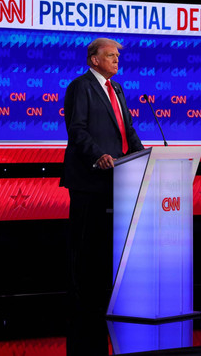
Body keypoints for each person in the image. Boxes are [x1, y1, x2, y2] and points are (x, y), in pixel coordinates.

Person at [60, 37, 144, 311]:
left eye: (117, 56)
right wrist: (97, 155)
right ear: (94, 60)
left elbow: (127, 131)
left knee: (108, 243)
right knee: (86, 243)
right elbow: (77, 130)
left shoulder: (117, 89)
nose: (116, 60)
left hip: (118, 177)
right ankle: (81, 300)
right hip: (90, 178)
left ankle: (105, 298)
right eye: (110, 55)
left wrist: (144, 157)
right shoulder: (80, 87)